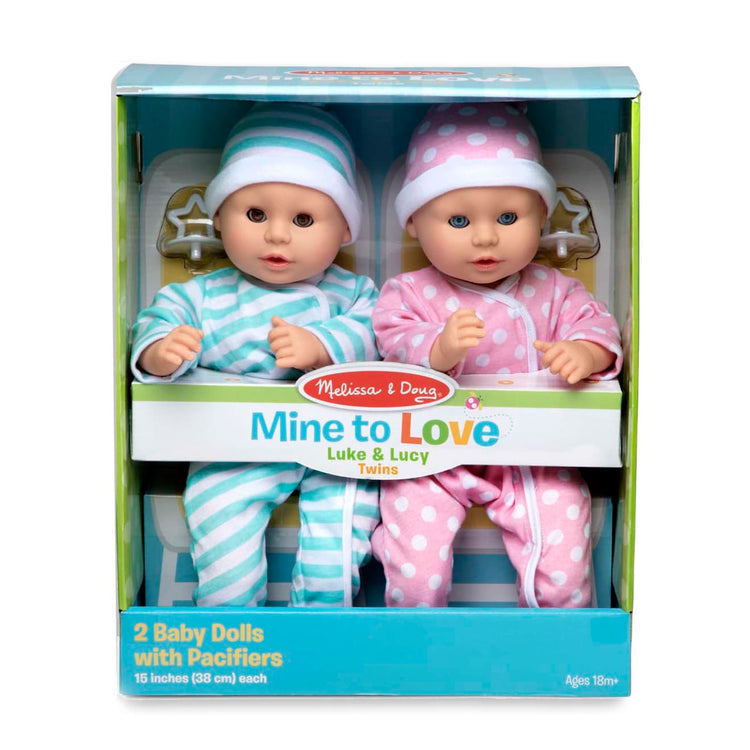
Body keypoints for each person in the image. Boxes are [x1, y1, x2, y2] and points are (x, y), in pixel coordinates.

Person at [371, 102, 622, 608]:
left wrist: (586, 352)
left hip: (534, 455)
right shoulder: (408, 291)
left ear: (542, 216)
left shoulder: (554, 290)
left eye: (508, 217)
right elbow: (390, 341)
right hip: (431, 452)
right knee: (415, 560)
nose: (485, 237)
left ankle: (558, 635)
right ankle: (413, 631)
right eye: (458, 219)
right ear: (414, 222)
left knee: (563, 554)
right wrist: (437, 348)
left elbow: (597, 324)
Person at [131, 103, 379, 607]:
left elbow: (380, 336)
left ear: (344, 230)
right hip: (235, 447)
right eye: (256, 214)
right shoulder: (204, 294)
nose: (277, 234)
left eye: (304, 218)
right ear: (220, 217)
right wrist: (161, 352)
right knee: (220, 522)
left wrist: (322, 346)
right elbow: (157, 320)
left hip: (338, 444)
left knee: (344, 527)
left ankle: (324, 621)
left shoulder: (353, 292)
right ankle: (231, 627)